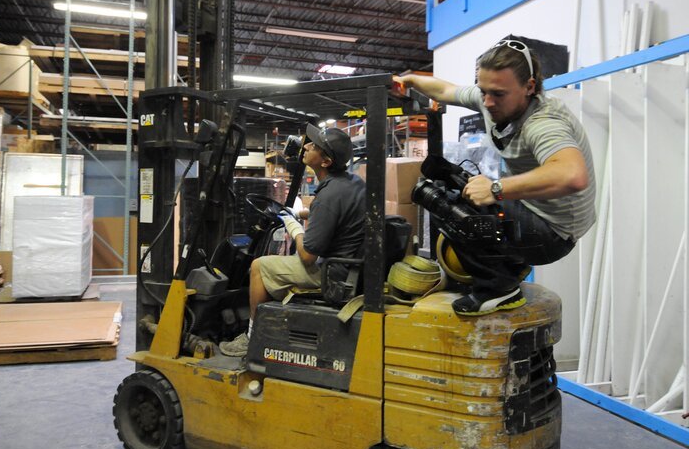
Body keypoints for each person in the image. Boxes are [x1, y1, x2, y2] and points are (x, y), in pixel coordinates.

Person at [395, 39, 596, 316]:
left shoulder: (543, 124)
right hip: (534, 210)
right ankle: (509, 266)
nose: (487, 102)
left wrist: (497, 189)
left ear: (530, 87)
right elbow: (444, 90)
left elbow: (572, 175)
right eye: (483, 90)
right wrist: (410, 80)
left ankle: (499, 288)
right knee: (451, 180)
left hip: (553, 233)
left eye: (498, 94)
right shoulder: (491, 97)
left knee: (448, 205)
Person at [220, 124, 366, 356]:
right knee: (282, 260)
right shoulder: (352, 183)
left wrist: (294, 227)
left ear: (325, 162)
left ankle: (252, 336)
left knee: (259, 266)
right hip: (350, 268)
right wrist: (299, 214)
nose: (306, 146)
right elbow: (338, 214)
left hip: (333, 274)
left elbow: (308, 256)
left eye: (314, 146)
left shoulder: (328, 196)